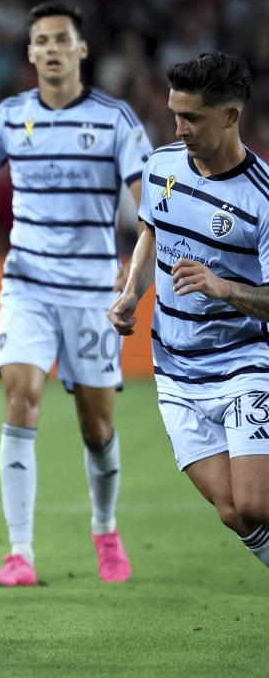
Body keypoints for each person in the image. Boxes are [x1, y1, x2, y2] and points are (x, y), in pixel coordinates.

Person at [0, 1, 153, 586]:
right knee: (21, 398)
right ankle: (20, 555)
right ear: (30, 53)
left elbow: (150, 206)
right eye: (41, 41)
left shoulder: (116, 120)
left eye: (62, 39)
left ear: (82, 50)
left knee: (96, 427)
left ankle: (105, 530)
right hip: (26, 285)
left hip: (90, 295)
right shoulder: (10, 116)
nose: (52, 49)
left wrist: (135, 285)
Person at [109, 52, 269, 574]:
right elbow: (152, 229)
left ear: (230, 116)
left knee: (255, 503)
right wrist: (133, 291)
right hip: (175, 368)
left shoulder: (261, 199)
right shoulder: (162, 164)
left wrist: (224, 288)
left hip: (244, 360)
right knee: (231, 511)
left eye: (193, 118)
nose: (180, 129)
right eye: (175, 114)